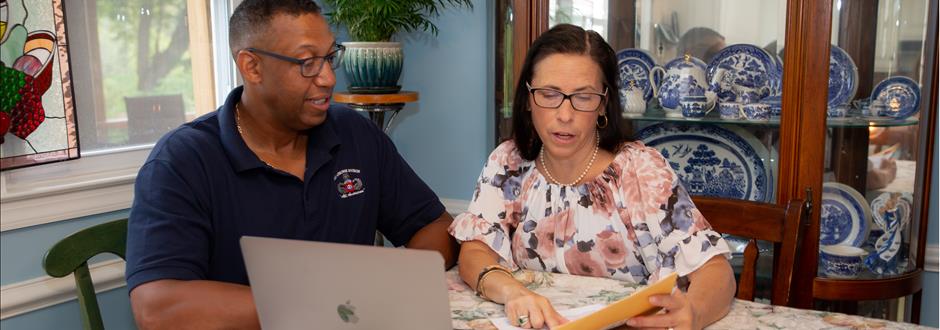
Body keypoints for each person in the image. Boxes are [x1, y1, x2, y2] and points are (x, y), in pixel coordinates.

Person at [124, 1, 457, 328]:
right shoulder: (182, 161)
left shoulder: (356, 134)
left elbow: (436, 228)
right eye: (307, 62)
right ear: (252, 67)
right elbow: (157, 308)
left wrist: (383, 285)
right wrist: (326, 304)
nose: (327, 78)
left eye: (329, 57)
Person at [449, 24, 735, 330]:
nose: (564, 114)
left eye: (583, 97)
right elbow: (475, 251)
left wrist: (693, 312)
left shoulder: (641, 170)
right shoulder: (508, 162)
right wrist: (512, 293)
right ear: (528, 99)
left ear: (603, 104)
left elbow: (716, 271)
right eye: (549, 94)